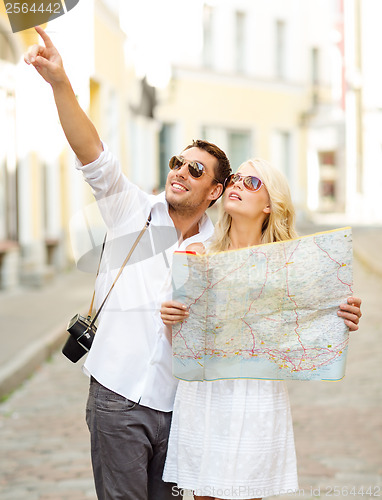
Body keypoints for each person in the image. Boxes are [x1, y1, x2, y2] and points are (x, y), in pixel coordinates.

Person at [24, 26, 362, 500]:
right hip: (117, 392)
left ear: (216, 191)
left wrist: (336, 314)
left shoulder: (217, 249)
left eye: (195, 169)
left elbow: (276, 317)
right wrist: (60, 83)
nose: (180, 172)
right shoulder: (132, 211)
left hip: (182, 409)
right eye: (177, 162)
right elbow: (92, 154)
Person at [160, 158, 362, 500]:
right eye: (236, 178)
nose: (237, 184)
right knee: (206, 496)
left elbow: (314, 324)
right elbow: (183, 344)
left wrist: (343, 317)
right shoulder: (197, 254)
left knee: (248, 493)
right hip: (207, 394)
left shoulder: (292, 266)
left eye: (252, 183)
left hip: (257, 395)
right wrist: (171, 318)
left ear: (269, 205)